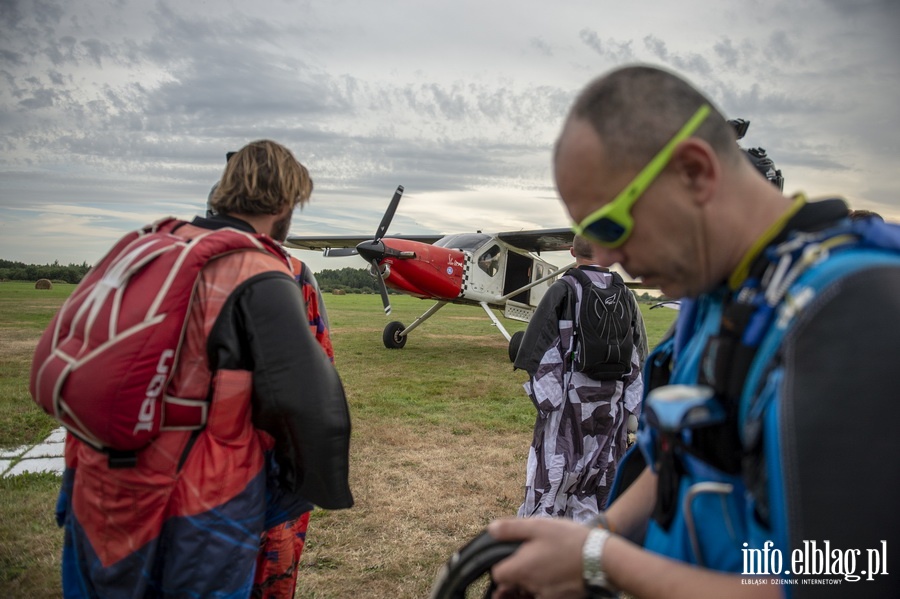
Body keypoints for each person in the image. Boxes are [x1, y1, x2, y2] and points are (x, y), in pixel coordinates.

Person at [488, 65, 900, 598]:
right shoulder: (721, 292)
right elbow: (680, 456)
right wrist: (599, 531)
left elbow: (848, 580)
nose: (608, 256)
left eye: (612, 224)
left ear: (696, 173)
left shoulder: (849, 310)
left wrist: (600, 563)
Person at [55, 139, 353, 598]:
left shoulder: (147, 244)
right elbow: (310, 404)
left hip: (97, 479)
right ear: (284, 202)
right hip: (198, 501)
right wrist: (307, 492)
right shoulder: (260, 270)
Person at [513, 235, 647, 523]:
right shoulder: (626, 295)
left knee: (555, 472)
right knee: (600, 472)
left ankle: (544, 530)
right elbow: (639, 352)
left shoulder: (563, 289)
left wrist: (547, 401)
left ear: (572, 252)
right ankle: (590, 533)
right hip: (611, 406)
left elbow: (537, 351)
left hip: (569, 407)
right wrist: (632, 404)